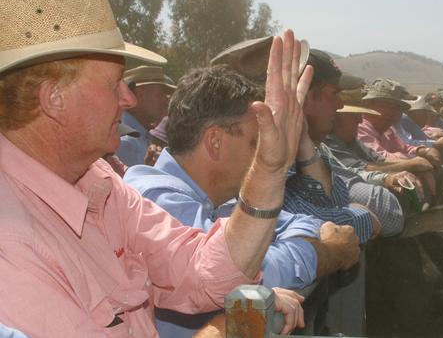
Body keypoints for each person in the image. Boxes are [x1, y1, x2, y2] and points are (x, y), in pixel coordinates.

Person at [0, 0, 306, 336]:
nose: (128, 100)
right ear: (55, 98)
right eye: (115, 84)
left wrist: (269, 170)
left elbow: (201, 272)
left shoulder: (97, 180)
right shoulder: (11, 243)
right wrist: (223, 330)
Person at [124, 64, 359, 338]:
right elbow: (232, 273)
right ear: (214, 142)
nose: (264, 154)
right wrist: (321, 253)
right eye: (255, 143)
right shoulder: (153, 199)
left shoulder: (223, 200)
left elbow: (303, 223)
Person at [213, 42, 404, 240]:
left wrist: (304, 142)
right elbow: (287, 223)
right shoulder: (244, 156)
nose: (340, 105)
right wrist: (357, 215)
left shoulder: (291, 145)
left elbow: (332, 198)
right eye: (334, 94)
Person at [117, 65, 176, 166]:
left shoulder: (139, 137)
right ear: (140, 95)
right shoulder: (125, 142)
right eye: (160, 95)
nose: (166, 101)